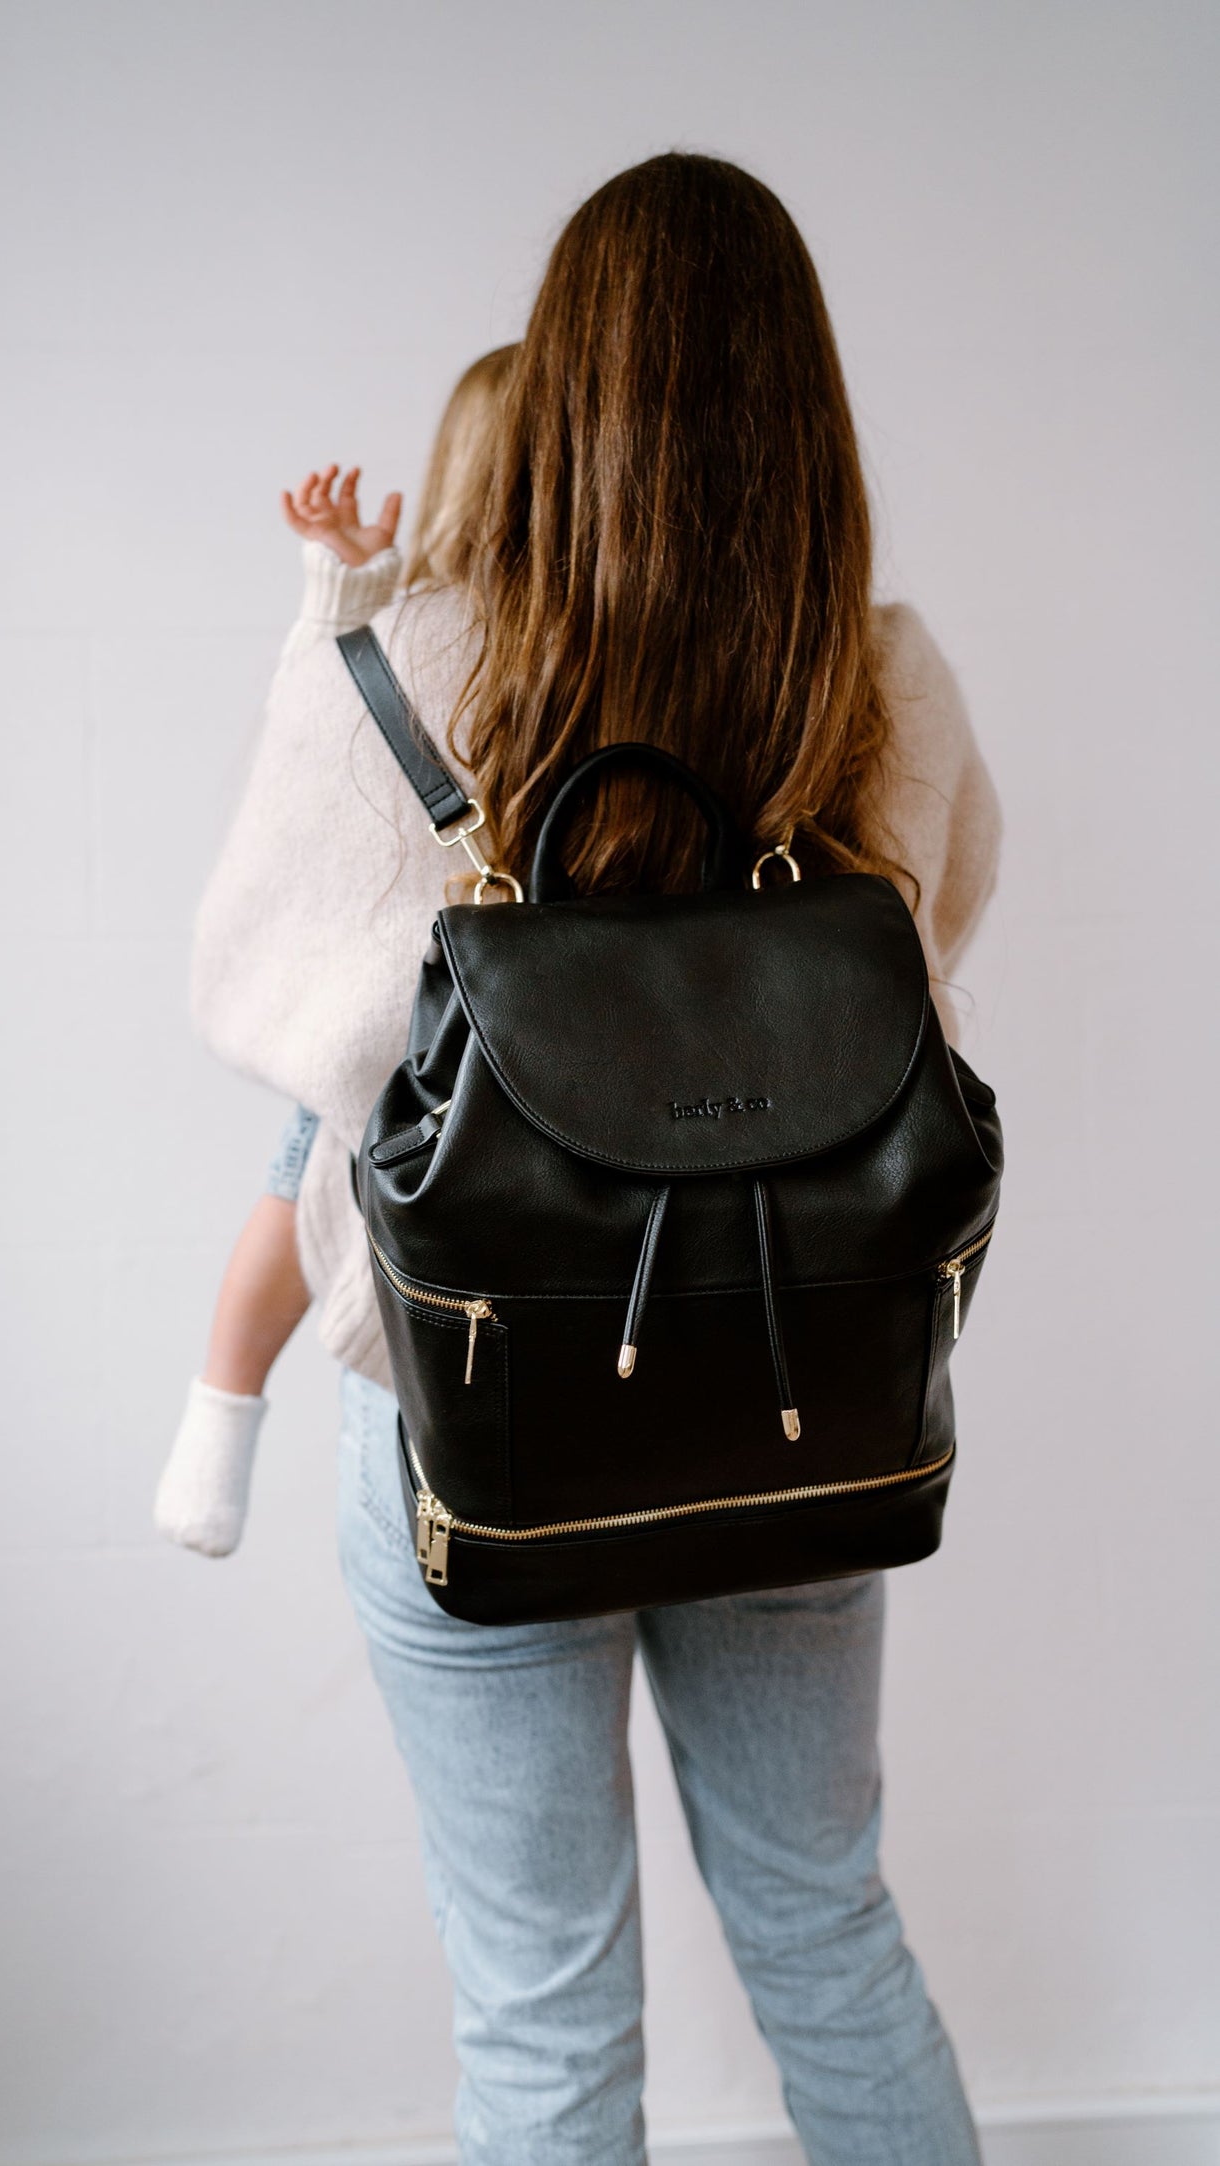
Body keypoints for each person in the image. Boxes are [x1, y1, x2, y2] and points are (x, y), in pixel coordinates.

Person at [186, 152, 1000, 2166]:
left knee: (539, 2012)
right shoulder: (878, 678)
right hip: (793, 1403)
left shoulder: (408, 673)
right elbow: (916, 977)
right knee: (826, 1929)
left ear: (558, 389)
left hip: (477, 1408)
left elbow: (274, 1012)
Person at [155, 351, 518, 1556]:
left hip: (489, 1033)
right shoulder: (410, 638)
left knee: (320, 1140)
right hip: (422, 1030)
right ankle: (221, 1398)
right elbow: (304, 759)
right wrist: (341, 589)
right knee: (326, 1124)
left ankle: (222, 1399)